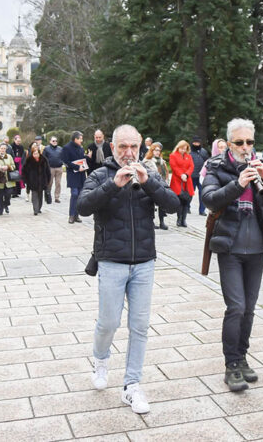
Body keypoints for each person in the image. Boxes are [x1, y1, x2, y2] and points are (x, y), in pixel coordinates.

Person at [78, 124, 179, 414]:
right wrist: (114, 185)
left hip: (144, 262)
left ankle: (132, 386)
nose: (128, 152)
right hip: (111, 261)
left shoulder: (150, 173)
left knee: (140, 325)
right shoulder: (100, 174)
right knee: (108, 322)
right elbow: (83, 206)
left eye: (133, 146)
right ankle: (100, 358)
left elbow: (172, 205)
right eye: (122, 146)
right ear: (112, 148)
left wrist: (149, 183)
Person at [203, 118, 263, 392]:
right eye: (239, 142)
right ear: (229, 143)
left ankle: (242, 357)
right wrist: (238, 184)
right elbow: (209, 198)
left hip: (257, 247)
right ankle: (231, 364)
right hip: (229, 247)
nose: (245, 147)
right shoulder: (216, 166)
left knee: (250, 310)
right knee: (236, 307)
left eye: (249, 142)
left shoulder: (260, 164)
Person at [142, 142, 170, 229]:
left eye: (159, 150)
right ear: (152, 150)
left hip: (162, 183)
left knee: (162, 202)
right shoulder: (147, 161)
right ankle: (151, 222)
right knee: (151, 203)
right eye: (156, 150)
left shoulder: (162, 161)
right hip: (152, 184)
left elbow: (166, 173)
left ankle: (162, 222)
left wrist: (166, 182)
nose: (157, 152)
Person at [62, 131, 87, 224]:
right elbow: (66, 161)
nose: (82, 140)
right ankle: (71, 215)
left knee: (80, 195)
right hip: (72, 175)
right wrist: (77, 167)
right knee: (74, 194)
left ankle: (77, 215)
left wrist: (87, 158)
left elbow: (82, 160)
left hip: (81, 175)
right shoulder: (66, 148)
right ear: (75, 139)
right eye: (80, 138)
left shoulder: (81, 148)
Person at [169, 140, 194, 227]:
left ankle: (184, 219)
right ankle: (179, 219)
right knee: (180, 200)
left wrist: (186, 174)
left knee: (187, 200)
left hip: (187, 180)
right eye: (182, 148)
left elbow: (191, 166)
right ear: (178, 147)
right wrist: (181, 174)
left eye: (185, 149)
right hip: (177, 180)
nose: (183, 150)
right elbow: (174, 166)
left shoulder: (189, 156)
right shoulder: (173, 155)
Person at [22, 143, 51, 215]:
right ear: (32, 153)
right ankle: (35, 209)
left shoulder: (44, 159)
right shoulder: (29, 160)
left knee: (40, 195)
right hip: (32, 181)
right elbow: (24, 171)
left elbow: (48, 171)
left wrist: (47, 180)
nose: (36, 155)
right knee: (34, 195)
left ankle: (39, 208)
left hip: (42, 181)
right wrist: (26, 180)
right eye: (34, 153)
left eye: (37, 153)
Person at [190, 136, 210, 216]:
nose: (196, 144)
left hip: (201, 176)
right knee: (190, 193)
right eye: (195, 142)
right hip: (191, 176)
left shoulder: (203, 151)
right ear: (192, 143)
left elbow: (207, 162)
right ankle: (187, 207)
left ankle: (202, 210)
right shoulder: (189, 151)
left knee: (202, 193)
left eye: (198, 142)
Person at [43, 136, 65, 203]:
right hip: (50, 168)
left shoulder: (60, 148)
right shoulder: (46, 149)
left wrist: (62, 162)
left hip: (59, 168)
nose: (55, 142)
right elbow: (43, 158)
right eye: (53, 141)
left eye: (56, 141)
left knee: (58, 183)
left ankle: (57, 197)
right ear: (50, 141)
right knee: (50, 183)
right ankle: (48, 196)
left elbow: (63, 156)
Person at [0, 144, 16, 216]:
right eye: (1, 148)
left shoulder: (9, 156)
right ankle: (0, 210)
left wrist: (8, 167)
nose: (3, 150)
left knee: (8, 193)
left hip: (8, 180)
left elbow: (13, 166)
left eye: (4, 148)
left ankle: (6, 204)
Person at [10, 134, 25, 198]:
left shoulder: (21, 146)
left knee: (19, 177)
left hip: (20, 163)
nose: (18, 142)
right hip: (13, 163)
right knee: (13, 176)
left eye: (19, 141)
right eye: (17, 141)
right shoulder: (11, 146)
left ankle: (18, 192)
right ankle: (13, 192)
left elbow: (23, 154)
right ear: (14, 140)